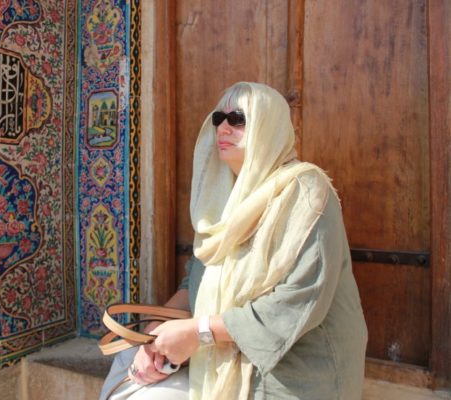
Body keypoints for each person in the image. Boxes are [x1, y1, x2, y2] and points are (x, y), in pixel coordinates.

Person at [100, 82, 368, 400]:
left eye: (238, 118)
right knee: (127, 361)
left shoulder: (306, 193)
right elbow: (194, 282)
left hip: (289, 373)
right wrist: (155, 332)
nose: (224, 127)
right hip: (223, 354)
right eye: (218, 118)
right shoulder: (226, 200)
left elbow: (297, 301)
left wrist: (197, 333)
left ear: (267, 126)